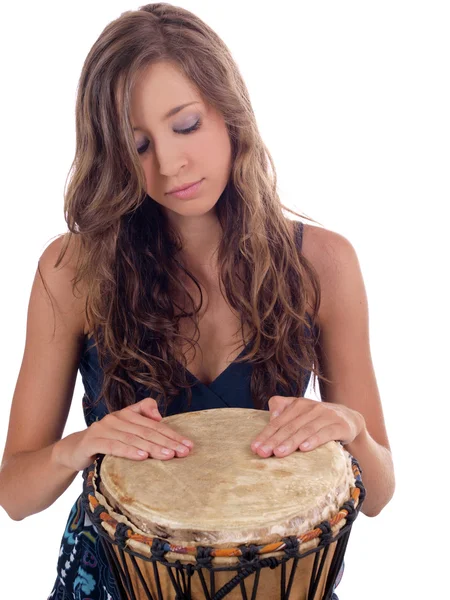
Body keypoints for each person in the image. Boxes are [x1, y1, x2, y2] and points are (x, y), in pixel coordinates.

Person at [0, 3, 395, 599]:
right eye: (137, 146)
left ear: (229, 111)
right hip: (111, 582)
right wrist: (79, 447)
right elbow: (15, 493)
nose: (169, 164)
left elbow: (379, 494)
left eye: (185, 125)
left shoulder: (325, 264)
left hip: (270, 582)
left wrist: (353, 430)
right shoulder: (73, 269)